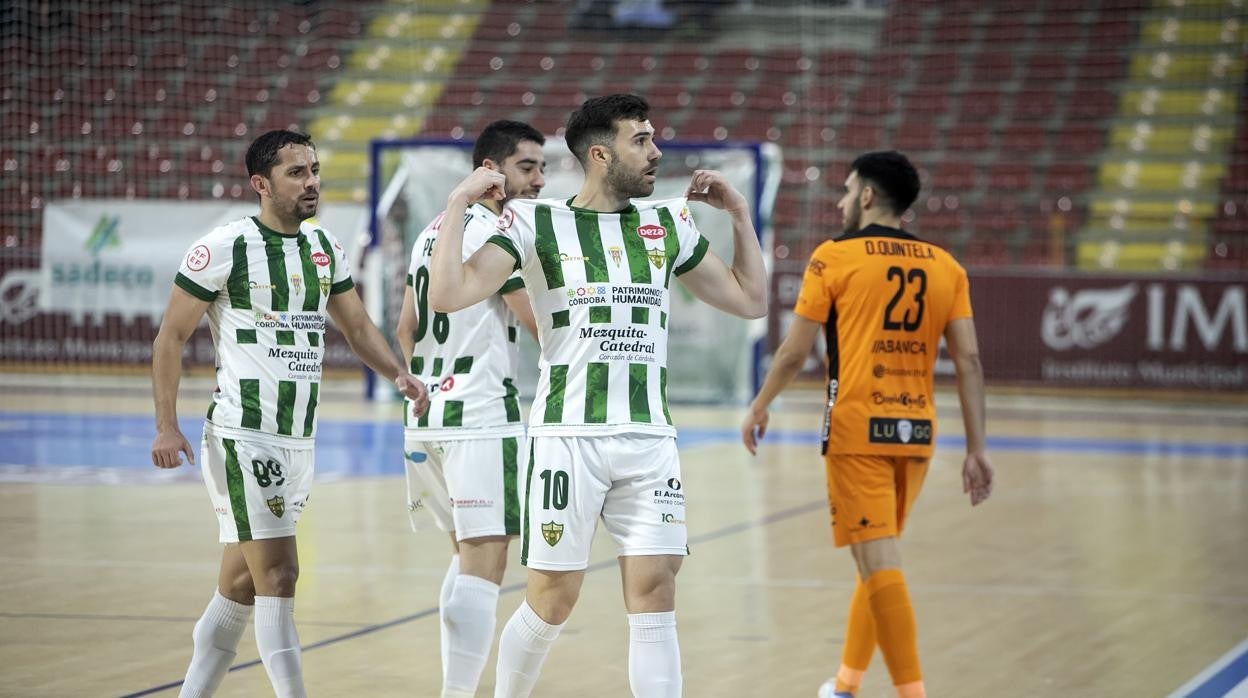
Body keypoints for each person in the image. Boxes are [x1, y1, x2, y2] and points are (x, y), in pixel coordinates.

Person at [428, 94, 768, 697]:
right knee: (553, 599)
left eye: (653, 137)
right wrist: (458, 202)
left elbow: (750, 299)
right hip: (567, 438)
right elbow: (447, 294)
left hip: (649, 439)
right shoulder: (534, 223)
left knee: (656, 592)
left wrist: (739, 214)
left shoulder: (667, 222)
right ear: (600, 153)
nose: (657, 151)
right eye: (642, 140)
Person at [150, 129, 429, 698]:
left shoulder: (323, 246)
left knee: (239, 587)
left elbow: (355, 328)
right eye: (297, 173)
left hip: (297, 438)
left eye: (315, 170)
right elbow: (169, 338)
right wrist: (165, 424)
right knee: (280, 574)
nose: (312, 182)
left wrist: (397, 372)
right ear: (261, 184)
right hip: (242, 433)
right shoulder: (224, 247)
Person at [739, 150, 993, 698]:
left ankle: (911, 693)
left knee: (878, 562)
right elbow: (969, 361)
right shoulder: (946, 265)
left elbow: (791, 353)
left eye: (847, 189)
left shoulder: (833, 257)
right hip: (918, 433)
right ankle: (846, 685)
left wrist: (760, 404)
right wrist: (977, 448)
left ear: (869, 196)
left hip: (858, 430)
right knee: (877, 560)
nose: (841, 200)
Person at [395, 119, 544, 698]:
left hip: (427, 415)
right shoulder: (494, 230)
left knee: (464, 559)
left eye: (541, 168)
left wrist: (417, 387)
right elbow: (535, 323)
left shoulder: (432, 231)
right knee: (486, 563)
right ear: (490, 170)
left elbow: (405, 327)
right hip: (482, 415)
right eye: (526, 167)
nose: (536, 179)